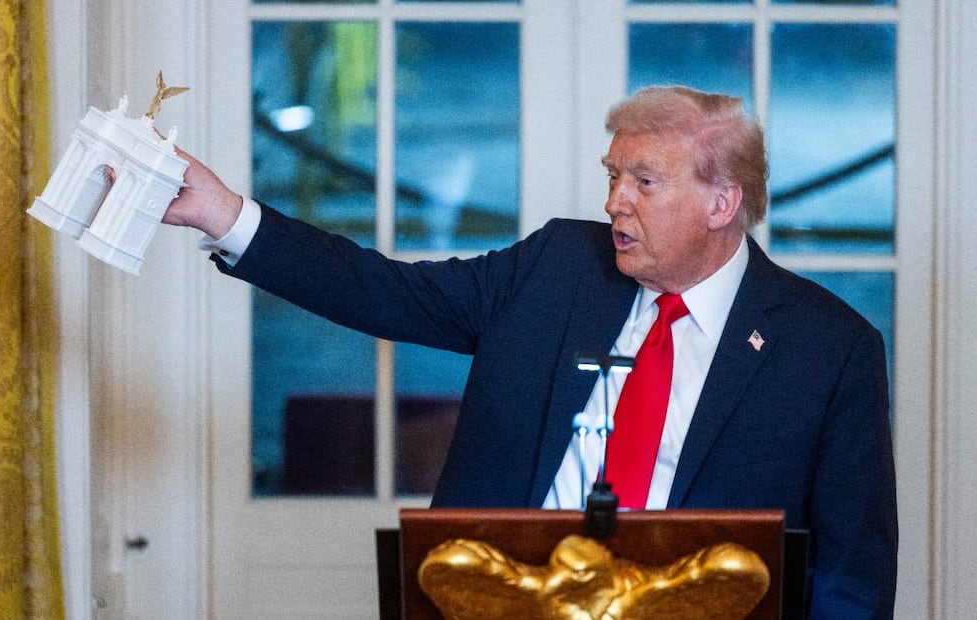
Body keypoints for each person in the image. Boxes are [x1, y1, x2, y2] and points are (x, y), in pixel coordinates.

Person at [164, 85, 897, 618]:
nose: (616, 201)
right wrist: (226, 216)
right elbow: (386, 293)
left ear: (721, 203)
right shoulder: (556, 268)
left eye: (645, 182)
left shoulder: (828, 349)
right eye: (614, 176)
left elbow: (850, 580)